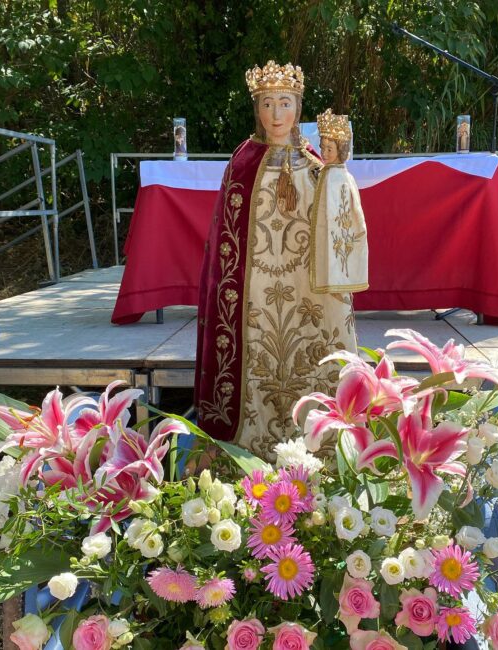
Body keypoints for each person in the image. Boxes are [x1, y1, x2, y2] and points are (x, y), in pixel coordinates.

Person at [194, 61, 358, 462]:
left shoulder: (315, 161)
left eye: (285, 103)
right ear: (257, 110)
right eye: (268, 104)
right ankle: (248, 444)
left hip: (306, 284)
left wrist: (334, 175)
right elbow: (226, 242)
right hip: (256, 290)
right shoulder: (243, 161)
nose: (277, 114)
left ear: (298, 108)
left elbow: (337, 218)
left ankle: (322, 445)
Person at [312, 109, 368, 294]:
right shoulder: (326, 172)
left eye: (330, 149)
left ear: (341, 150)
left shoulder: (340, 176)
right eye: (322, 148)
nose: (324, 153)